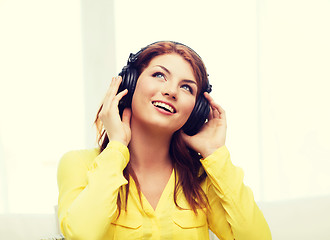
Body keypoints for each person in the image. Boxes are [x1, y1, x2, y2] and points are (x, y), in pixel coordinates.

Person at [57, 41, 272, 240]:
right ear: (131, 84)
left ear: (196, 111)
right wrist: (117, 147)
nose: (170, 91)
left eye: (186, 87)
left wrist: (215, 153)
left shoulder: (201, 180)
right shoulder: (78, 164)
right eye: (159, 75)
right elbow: (81, 235)